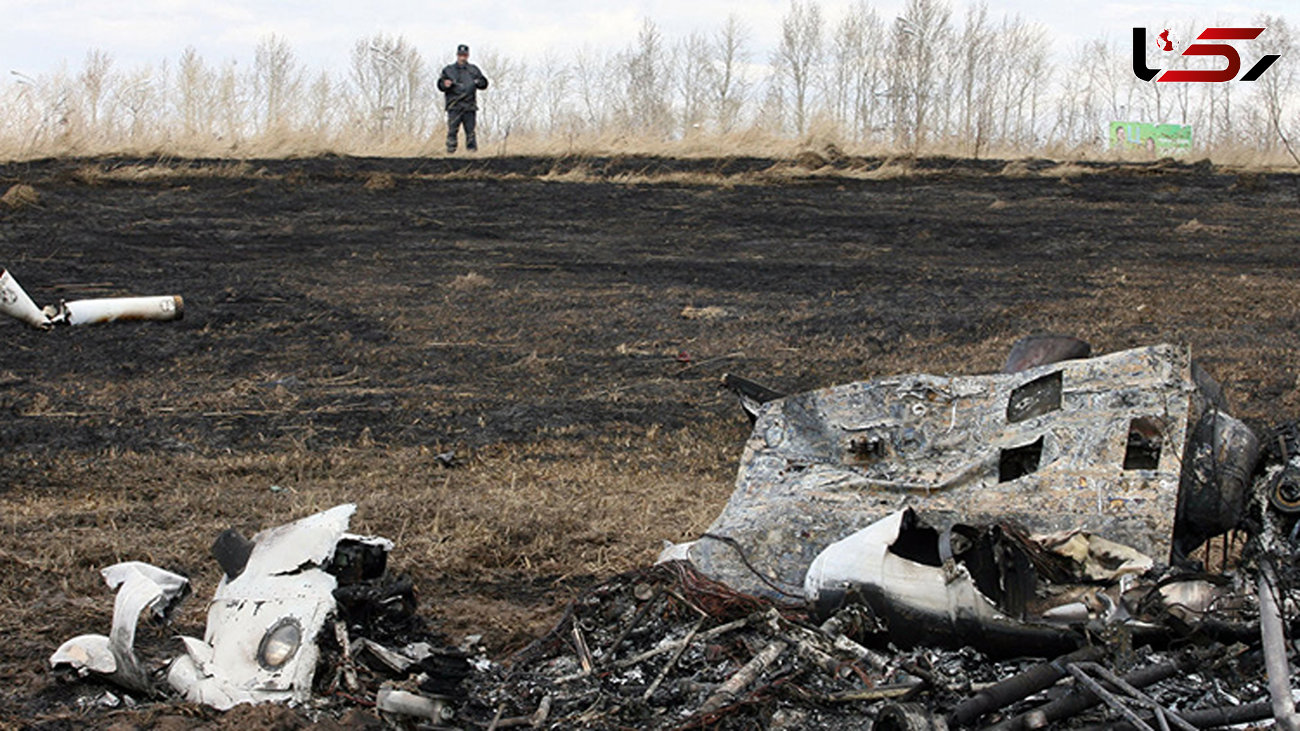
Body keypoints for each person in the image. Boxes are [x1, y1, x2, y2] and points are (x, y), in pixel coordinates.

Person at [438, 44, 489, 153]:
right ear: (457, 55)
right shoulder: (448, 70)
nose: (462, 57)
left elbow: (484, 83)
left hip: (469, 106)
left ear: (468, 56)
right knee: (452, 131)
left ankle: (472, 154)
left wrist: (479, 82)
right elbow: (440, 85)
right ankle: (450, 153)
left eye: (465, 55)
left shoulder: (473, 70)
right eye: (461, 55)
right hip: (454, 106)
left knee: (470, 132)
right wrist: (445, 84)